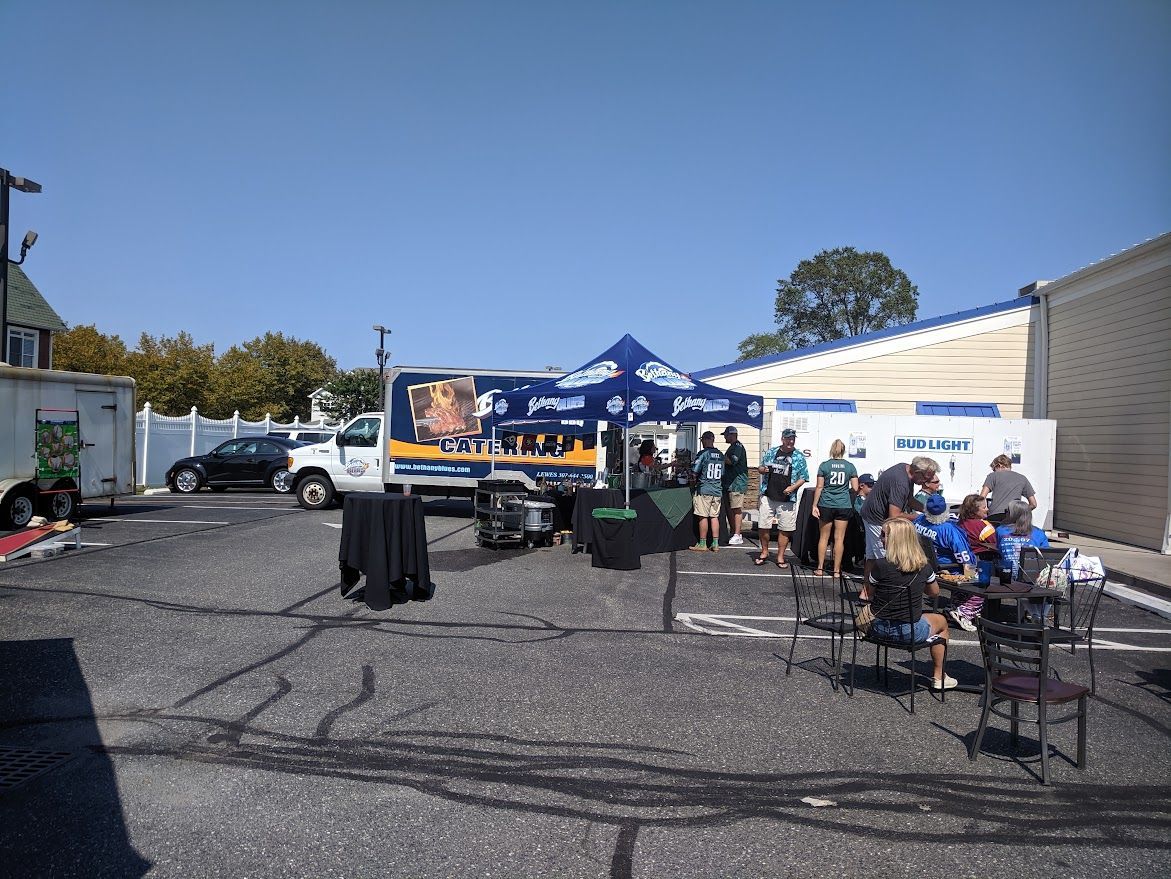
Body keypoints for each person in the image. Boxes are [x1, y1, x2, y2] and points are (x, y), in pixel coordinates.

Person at [865, 517, 955, 690]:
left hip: (878, 628)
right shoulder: (923, 567)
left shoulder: (880, 565)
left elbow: (869, 594)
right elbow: (934, 593)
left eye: (883, 535)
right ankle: (939, 675)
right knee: (941, 621)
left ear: (895, 540)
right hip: (909, 632)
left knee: (926, 618)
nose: (880, 538)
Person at [859, 457, 940, 581]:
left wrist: (926, 509)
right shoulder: (901, 482)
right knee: (886, 558)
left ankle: (867, 592)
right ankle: (885, 590)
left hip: (870, 513)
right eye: (926, 478)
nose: (926, 482)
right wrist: (920, 516)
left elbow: (909, 499)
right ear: (917, 472)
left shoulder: (905, 469)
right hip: (877, 518)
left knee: (872, 557)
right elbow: (894, 515)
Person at [755, 428, 808, 568]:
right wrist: (762, 470)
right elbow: (761, 467)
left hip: (787, 498)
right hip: (768, 494)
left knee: (785, 528)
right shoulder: (772, 452)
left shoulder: (798, 456)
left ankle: (780, 556)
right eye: (788, 438)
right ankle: (764, 552)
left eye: (793, 438)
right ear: (782, 439)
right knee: (763, 525)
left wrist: (793, 488)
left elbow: (804, 477)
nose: (791, 441)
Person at [948, 493, 1000, 631]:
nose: (987, 509)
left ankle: (956, 606)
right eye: (984, 507)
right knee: (984, 584)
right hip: (977, 562)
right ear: (975, 511)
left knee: (968, 580)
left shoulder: (959, 523)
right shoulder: (984, 527)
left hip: (960, 562)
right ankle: (964, 612)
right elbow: (994, 543)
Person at [811, 439, 859, 576]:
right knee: (839, 539)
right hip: (843, 505)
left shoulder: (824, 466)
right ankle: (837, 571)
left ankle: (820, 568)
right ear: (843, 450)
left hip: (826, 503)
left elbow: (819, 487)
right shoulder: (850, 466)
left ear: (832, 450)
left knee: (823, 537)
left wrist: (814, 505)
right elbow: (855, 487)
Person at [995, 500, 1050, 581]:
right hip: (1032, 578)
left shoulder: (1001, 530)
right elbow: (1046, 558)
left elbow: (996, 550)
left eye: (1007, 511)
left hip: (1005, 577)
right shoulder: (1039, 533)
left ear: (1012, 515)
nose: (1005, 513)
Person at [913, 494, 974, 567]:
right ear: (946, 509)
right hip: (946, 568)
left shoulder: (918, 520)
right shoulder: (949, 530)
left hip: (922, 565)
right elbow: (965, 558)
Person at [690, 431, 724, 552]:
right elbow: (722, 473)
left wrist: (693, 484)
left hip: (704, 488)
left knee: (702, 516)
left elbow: (694, 472)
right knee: (714, 516)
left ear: (706, 439)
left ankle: (702, 543)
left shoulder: (703, 454)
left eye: (702, 440)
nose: (702, 442)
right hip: (717, 489)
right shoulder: (720, 455)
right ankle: (715, 543)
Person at [980, 455, 1037, 524]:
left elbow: (981, 498)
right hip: (1014, 517)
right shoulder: (1022, 478)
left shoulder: (993, 476)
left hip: (994, 516)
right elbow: (1033, 504)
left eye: (994, 469)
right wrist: (1020, 513)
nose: (994, 471)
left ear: (999, 466)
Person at [720, 426, 749, 545]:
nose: (725, 437)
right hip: (729, 484)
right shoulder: (731, 447)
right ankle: (733, 532)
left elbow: (732, 461)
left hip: (736, 483)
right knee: (730, 510)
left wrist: (718, 456)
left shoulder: (737, 447)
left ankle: (737, 534)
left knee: (736, 509)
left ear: (732, 435)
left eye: (726, 435)